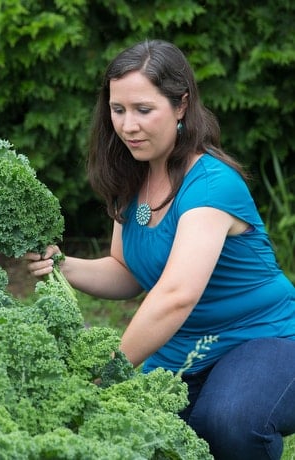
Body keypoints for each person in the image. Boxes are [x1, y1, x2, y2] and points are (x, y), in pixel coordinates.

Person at [26, 39, 295, 460]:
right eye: (118, 110)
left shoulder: (210, 184)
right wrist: (61, 264)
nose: (128, 125)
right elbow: (126, 270)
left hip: (265, 337)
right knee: (144, 432)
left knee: (227, 421)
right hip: (184, 346)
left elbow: (175, 296)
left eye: (143, 110)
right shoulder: (131, 178)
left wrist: (111, 371)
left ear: (181, 106)